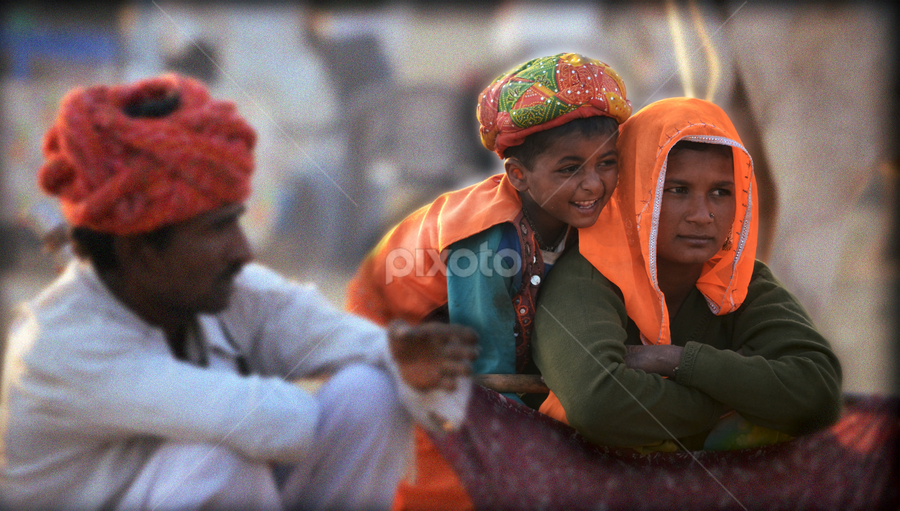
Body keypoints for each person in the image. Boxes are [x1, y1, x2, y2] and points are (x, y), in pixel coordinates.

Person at [0, 73, 479, 511]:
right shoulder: (57, 348)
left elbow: (384, 358)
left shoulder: (224, 290)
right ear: (142, 249)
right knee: (218, 456)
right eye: (218, 229)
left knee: (368, 393)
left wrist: (408, 365)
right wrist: (388, 360)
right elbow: (266, 422)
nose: (243, 251)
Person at [346, 53, 631, 509]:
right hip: (398, 341)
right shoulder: (485, 243)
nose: (594, 184)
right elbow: (490, 376)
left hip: (474, 347)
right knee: (452, 481)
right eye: (569, 168)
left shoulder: (570, 216)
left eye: (607, 163)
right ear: (518, 175)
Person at [533, 97, 843, 452]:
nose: (701, 215)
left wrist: (677, 360)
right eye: (677, 190)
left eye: (720, 193)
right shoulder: (587, 279)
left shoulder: (740, 281)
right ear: (633, 190)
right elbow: (600, 403)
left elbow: (818, 393)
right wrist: (735, 398)